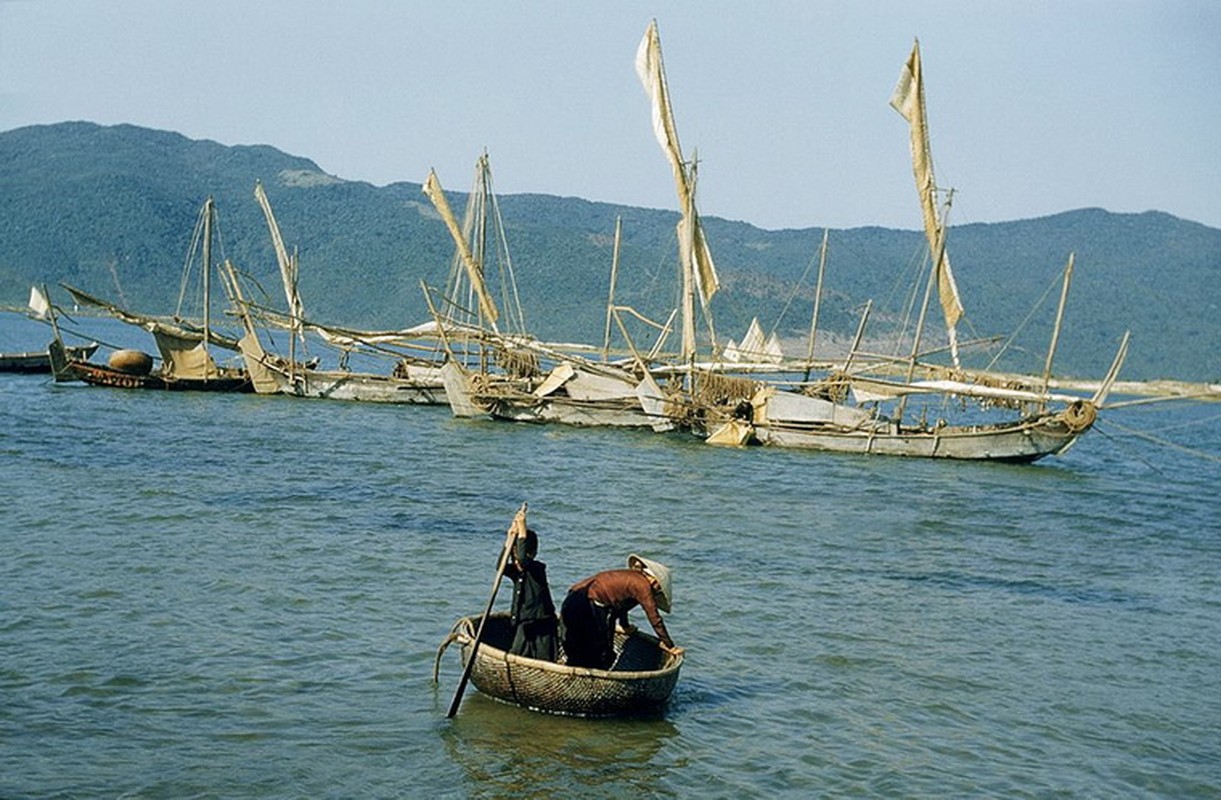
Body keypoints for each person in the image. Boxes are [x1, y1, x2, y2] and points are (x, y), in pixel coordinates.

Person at [560, 553, 684, 669]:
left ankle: (574, 673)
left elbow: (619, 608)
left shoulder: (629, 578)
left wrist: (625, 625)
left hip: (572, 598)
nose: (656, 592)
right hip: (588, 603)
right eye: (658, 588)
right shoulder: (643, 586)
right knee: (599, 651)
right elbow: (654, 618)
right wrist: (670, 645)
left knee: (578, 644)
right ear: (654, 580)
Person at [500, 527, 557, 661]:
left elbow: (523, 560)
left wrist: (522, 528)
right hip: (524, 624)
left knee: (544, 658)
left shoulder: (537, 569)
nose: (516, 559)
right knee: (517, 654)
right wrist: (509, 538)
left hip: (542, 623)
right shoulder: (516, 572)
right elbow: (500, 566)